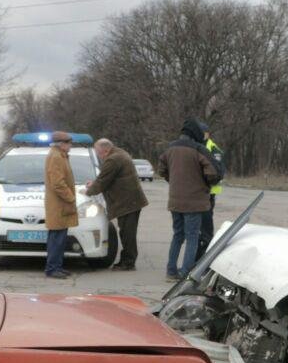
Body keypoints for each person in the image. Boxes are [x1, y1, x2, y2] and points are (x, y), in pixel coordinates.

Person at [158, 117, 221, 280]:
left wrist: (173, 181)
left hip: (175, 201)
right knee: (192, 237)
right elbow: (213, 172)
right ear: (196, 134)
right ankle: (186, 272)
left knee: (177, 235)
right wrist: (205, 184)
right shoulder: (198, 149)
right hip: (195, 202)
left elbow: (161, 169)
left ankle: (171, 271)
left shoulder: (169, 149)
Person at [86, 138, 149, 270]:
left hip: (127, 203)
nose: (98, 156)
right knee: (127, 232)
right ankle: (127, 260)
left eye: (99, 153)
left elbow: (103, 181)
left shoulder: (113, 160)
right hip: (131, 201)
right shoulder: (119, 154)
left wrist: (88, 192)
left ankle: (128, 262)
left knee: (127, 234)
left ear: (106, 150)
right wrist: (95, 184)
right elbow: (106, 178)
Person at [44, 131, 77, 279]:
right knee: (57, 238)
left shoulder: (60, 155)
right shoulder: (56, 157)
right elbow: (57, 183)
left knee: (60, 237)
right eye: (69, 143)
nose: (70, 146)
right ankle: (52, 268)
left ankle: (57, 265)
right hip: (59, 204)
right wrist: (70, 197)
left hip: (60, 204)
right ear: (61, 144)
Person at [195, 127, 225, 261]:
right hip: (198, 192)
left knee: (206, 228)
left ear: (208, 133)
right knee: (197, 227)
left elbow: (218, 171)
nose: (202, 135)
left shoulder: (212, 148)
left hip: (209, 192)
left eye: (204, 132)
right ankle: (198, 256)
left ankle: (204, 257)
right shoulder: (197, 146)